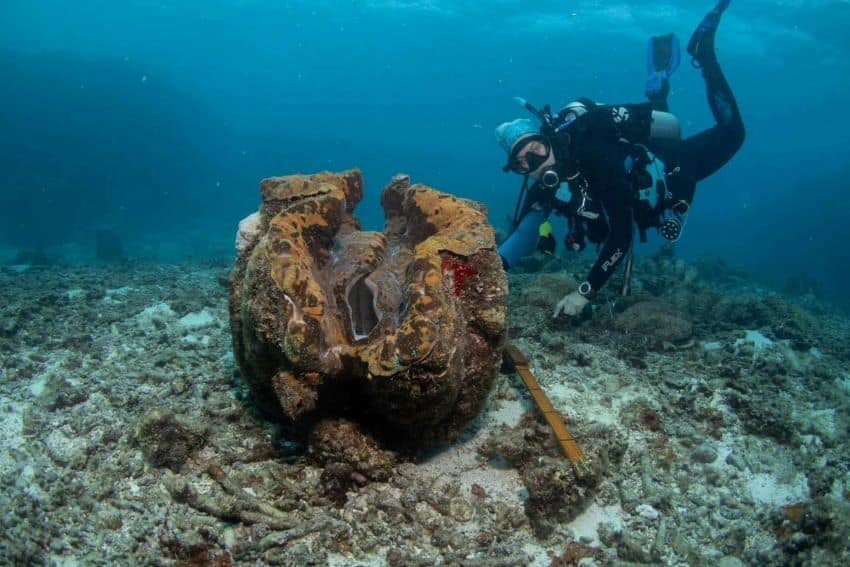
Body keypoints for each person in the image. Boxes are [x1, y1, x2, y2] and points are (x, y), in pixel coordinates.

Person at [495, 0, 744, 318]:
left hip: (667, 166)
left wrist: (584, 293)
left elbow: (622, 235)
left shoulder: (596, 157)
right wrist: (480, 276)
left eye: (537, 151)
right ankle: (657, 89)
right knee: (662, 115)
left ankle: (704, 54)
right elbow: (523, 236)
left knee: (733, 133)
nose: (536, 165)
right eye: (522, 164)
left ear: (549, 140)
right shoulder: (543, 188)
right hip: (640, 191)